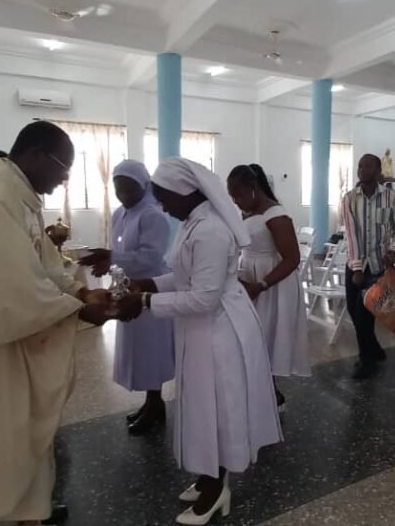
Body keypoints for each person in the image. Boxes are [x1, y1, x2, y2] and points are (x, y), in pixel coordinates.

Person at [0, 121, 113, 526]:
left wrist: (79, 294)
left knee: (12, 437)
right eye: (63, 170)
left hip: (9, 341)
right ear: (38, 155)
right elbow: (6, 290)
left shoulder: (18, 196)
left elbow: (43, 265)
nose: (63, 182)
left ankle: (18, 510)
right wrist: (77, 309)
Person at [117, 157, 282, 526]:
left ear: (185, 191)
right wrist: (150, 284)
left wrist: (144, 302)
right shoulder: (193, 221)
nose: (160, 204)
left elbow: (204, 297)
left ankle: (216, 489)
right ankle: (209, 474)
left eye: (163, 197)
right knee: (202, 406)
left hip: (219, 330)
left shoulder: (210, 230)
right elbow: (184, 275)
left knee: (217, 408)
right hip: (202, 328)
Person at [80, 160, 175, 435]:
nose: (124, 196)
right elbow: (119, 251)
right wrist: (110, 264)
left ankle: (155, 404)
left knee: (150, 349)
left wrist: (113, 258)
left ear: (144, 186)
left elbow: (150, 257)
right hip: (127, 286)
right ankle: (151, 403)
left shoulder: (154, 215)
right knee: (136, 348)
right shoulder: (120, 213)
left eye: (130, 190)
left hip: (149, 287)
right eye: (119, 190)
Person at [227, 164, 311, 407]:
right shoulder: (249, 213)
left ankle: (271, 396)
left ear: (253, 189)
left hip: (274, 283)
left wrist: (262, 284)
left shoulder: (276, 215)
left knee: (268, 338)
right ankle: (265, 393)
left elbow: (293, 258)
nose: (236, 201)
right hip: (252, 277)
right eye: (232, 196)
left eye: (239, 195)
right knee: (253, 338)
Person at [342, 154, 395, 380]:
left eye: (367, 165)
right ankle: (376, 349)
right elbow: (350, 235)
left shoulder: (392, 198)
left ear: (379, 171)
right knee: (353, 309)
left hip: (378, 267)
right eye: (359, 165)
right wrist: (357, 268)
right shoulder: (349, 199)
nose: (362, 169)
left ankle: (366, 359)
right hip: (355, 265)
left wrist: (393, 249)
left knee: (365, 314)